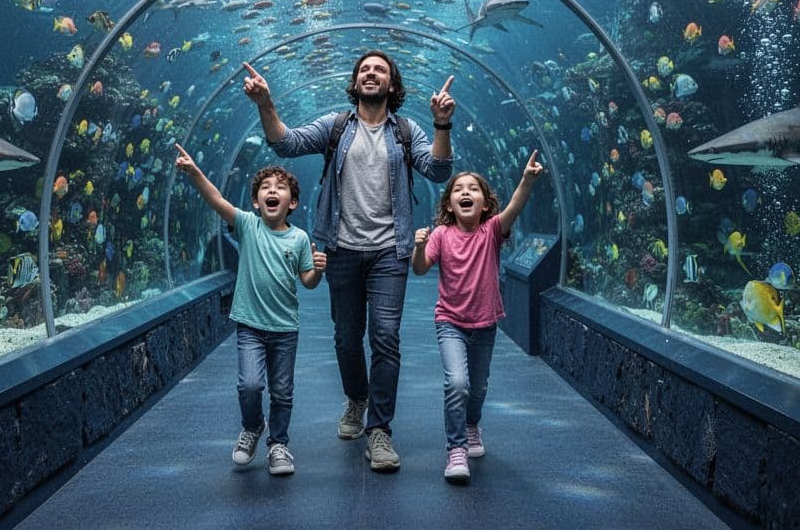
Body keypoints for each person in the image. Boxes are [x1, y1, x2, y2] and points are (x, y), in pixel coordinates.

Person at [242, 51, 454, 472]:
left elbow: (438, 171)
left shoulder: (406, 132)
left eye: (379, 70)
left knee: (386, 337)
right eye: (364, 70)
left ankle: (379, 431)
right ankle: (357, 397)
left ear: (392, 85)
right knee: (345, 338)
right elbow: (286, 141)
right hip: (340, 249)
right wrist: (266, 103)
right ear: (355, 83)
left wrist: (441, 123)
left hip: (389, 252)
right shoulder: (336, 127)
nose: (370, 74)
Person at [174, 144, 325, 476]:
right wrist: (195, 172)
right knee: (250, 386)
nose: (272, 191)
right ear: (256, 202)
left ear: (292, 203)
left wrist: (318, 269)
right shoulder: (247, 226)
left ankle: (279, 444)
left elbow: (308, 281)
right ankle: (253, 425)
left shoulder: (299, 238)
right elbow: (217, 201)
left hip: (285, 327)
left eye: (280, 188)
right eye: (265, 189)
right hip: (250, 326)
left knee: (282, 390)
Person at [413, 150, 545, 484]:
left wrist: (527, 180)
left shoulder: (491, 232)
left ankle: (472, 426)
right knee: (457, 383)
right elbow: (419, 269)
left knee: (479, 387)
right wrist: (418, 246)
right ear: (449, 204)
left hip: (485, 324)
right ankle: (456, 449)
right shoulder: (441, 235)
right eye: (458, 189)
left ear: (485, 204)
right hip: (450, 322)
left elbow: (515, 205)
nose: (466, 193)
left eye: (473, 189)